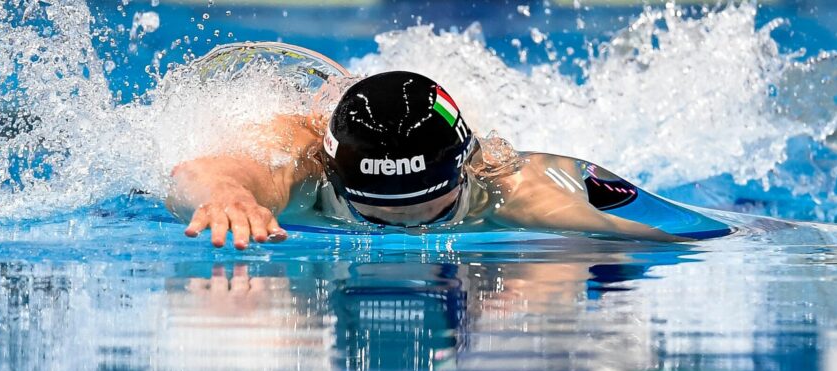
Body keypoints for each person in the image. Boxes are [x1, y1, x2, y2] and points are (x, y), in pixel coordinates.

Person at [167, 66, 730, 249]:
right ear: (338, 182)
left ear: (466, 171)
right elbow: (204, 172)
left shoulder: (509, 182)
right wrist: (231, 198)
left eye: (437, 213)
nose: (410, 234)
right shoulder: (303, 162)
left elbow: (686, 227)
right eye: (377, 217)